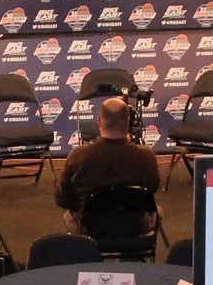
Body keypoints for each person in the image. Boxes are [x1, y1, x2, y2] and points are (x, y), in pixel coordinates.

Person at [56, 96, 160, 229]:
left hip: (91, 228)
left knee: (68, 216)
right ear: (128, 122)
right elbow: (153, 187)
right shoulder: (147, 156)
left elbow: (62, 198)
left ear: (99, 121)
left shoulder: (79, 156)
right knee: (158, 211)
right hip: (135, 227)